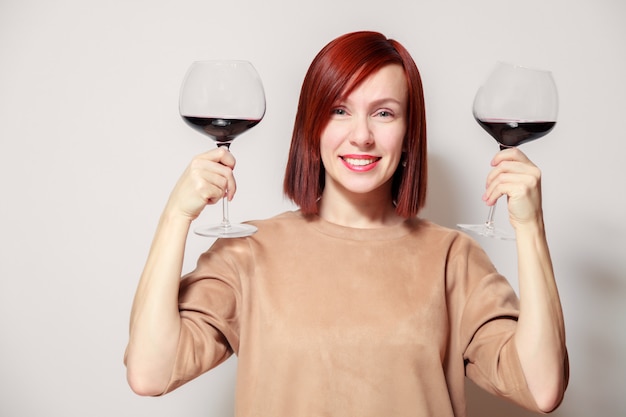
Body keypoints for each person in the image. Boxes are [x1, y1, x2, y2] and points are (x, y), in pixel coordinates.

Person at [124, 31, 568, 417]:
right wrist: (175, 218)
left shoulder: (453, 258)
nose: (361, 135)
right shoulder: (248, 252)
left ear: (409, 132)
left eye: (384, 112)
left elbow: (542, 388)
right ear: (311, 126)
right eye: (339, 110)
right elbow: (150, 372)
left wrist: (531, 228)